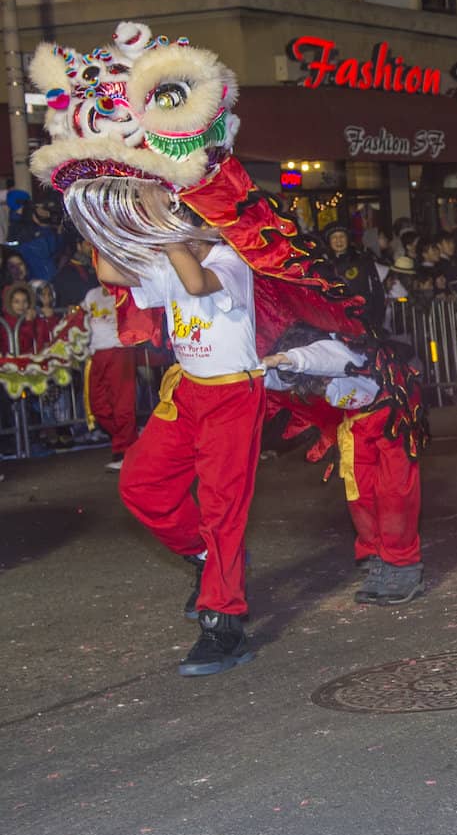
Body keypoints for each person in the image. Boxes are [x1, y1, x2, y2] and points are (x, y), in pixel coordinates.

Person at [96, 240, 264, 677]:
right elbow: (112, 272)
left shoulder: (230, 258)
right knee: (140, 483)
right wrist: (101, 214)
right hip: (187, 390)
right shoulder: (168, 254)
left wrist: (170, 236)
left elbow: (195, 281)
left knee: (221, 509)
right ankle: (207, 557)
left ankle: (224, 625)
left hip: (232, 394)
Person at [263, 329, 425, 605]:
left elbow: (322, 356)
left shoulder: (338, 349)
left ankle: (402, 564)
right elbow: (273, 380)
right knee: (359, 492)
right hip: (357, 422)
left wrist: (285, 358)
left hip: (394, 414)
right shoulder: (306, 368)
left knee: (394, 491)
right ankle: (376, 555)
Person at [81, 280, 140, 471]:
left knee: (122, 405)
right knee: (98, 406)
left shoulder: (126, 292)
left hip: (120, 350)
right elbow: (80, 320)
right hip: (97, 353)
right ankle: (128, 438)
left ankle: (125, 450)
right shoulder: (92, 294)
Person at [323, 222, 384, 329]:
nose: (338, 241)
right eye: (334, 237)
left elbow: (376, 289)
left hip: (363, 314)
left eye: (342, 236)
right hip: (336, 318)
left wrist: (377, 318)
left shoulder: (362, 260)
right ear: (329, 241)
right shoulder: (324, 264)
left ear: (348, 239)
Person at [53, 236, 99, 306]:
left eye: (95, 245)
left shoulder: (96, 268)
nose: (92, 249)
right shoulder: (67, 272)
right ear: (79, 246)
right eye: (89, 244)